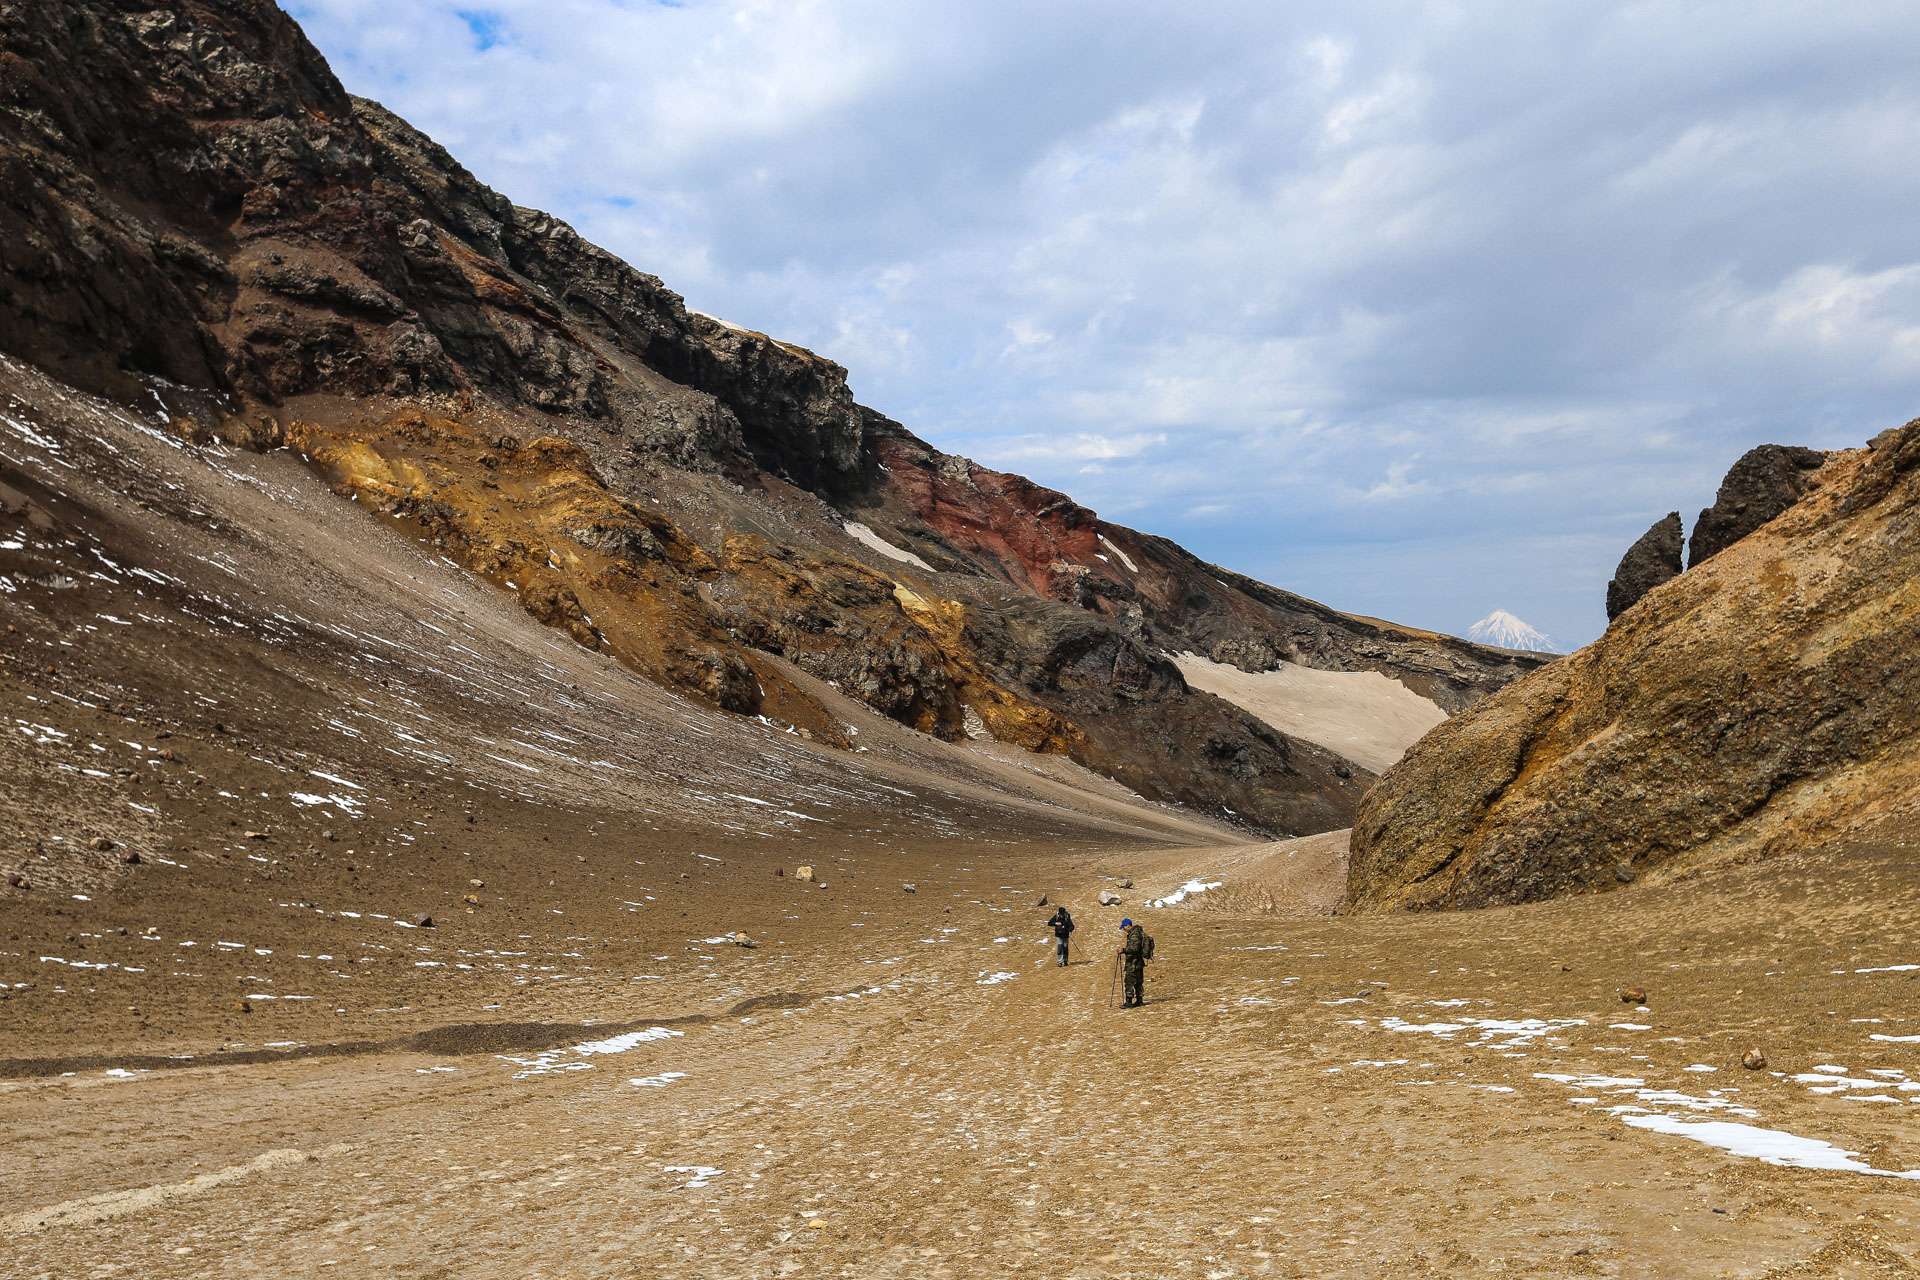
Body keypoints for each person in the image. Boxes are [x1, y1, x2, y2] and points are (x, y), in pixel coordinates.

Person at [1117, 917, 1149, 1008]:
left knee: (1129, 981)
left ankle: (1129, 1002)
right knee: (1138, 981)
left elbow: (1135, 948)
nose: (1123, 929)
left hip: (1133, 963)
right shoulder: (1137, 932)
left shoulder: (1134, 935)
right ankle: (1139, 1000)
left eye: (1124, 927)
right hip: (1138, 962)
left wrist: (1123, 950)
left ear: (1128, 925)